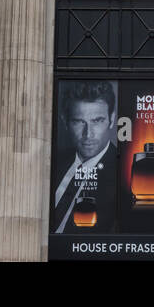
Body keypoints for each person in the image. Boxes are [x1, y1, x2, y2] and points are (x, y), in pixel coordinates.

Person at [52, 80, 119, 234]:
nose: (88, 134)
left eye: (97, 121)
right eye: (79, 122)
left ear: (111, 119)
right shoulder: (55, 161)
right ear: (65, 121)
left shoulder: (122, 172)